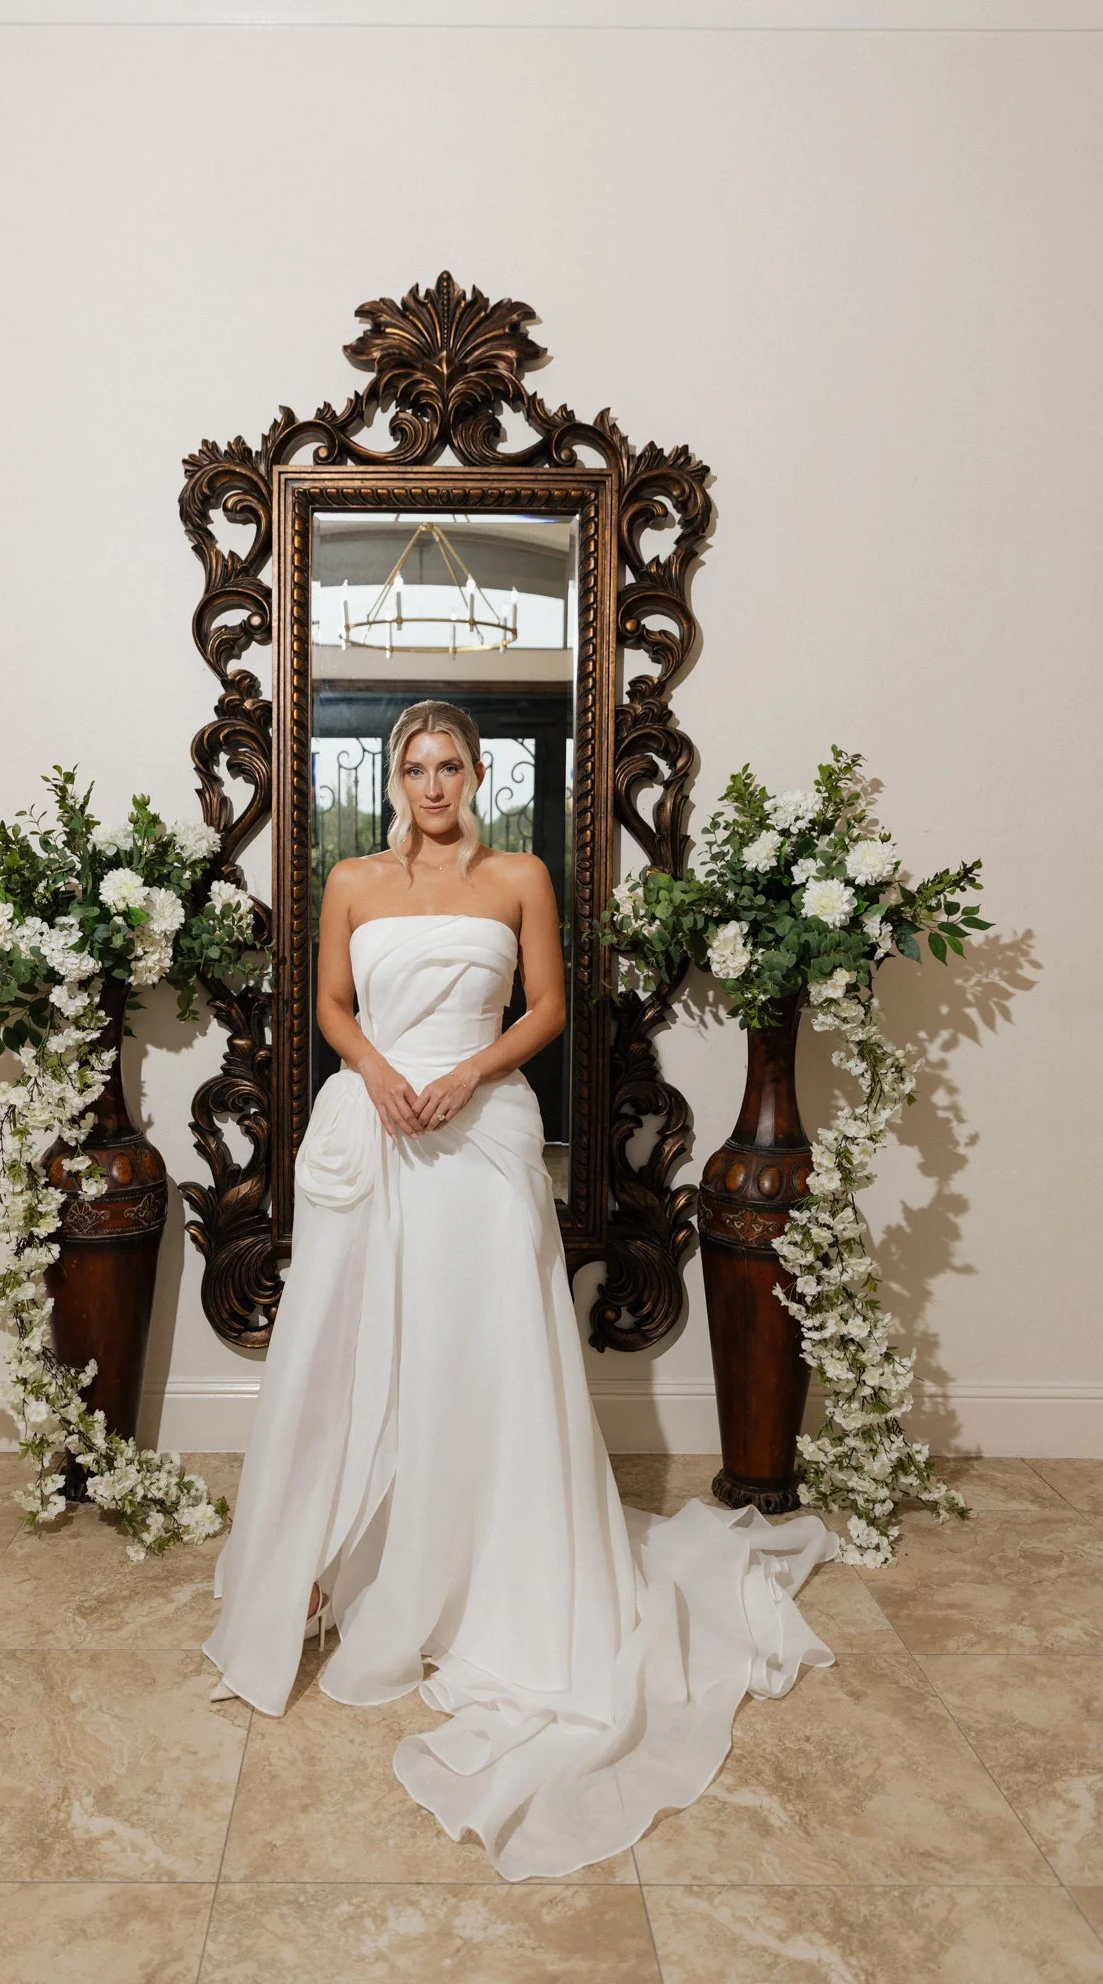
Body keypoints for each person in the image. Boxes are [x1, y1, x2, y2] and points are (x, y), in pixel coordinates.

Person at [203, 698, 837, 1881]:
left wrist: (468, 1072)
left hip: (484, 1128)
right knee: (350, 1352)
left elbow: (548, 1007)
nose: (431, 781)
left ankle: (487, 1569)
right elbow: (331, 1005)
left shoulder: (524, 874)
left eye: (449, 763)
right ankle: (351, 1558)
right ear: (394, 775)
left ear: (478, 771)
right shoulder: (349, 879)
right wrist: (388, 1075)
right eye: (414, 763)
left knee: (481, 1349)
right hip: (376, 1126)